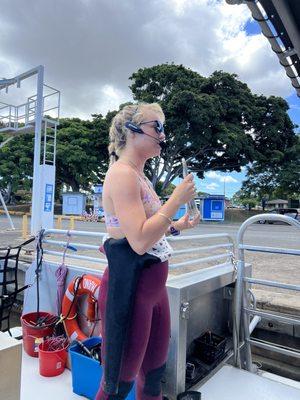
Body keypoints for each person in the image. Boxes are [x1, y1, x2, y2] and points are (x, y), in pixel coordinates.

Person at [96, 103, 200, 400]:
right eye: (157, 126)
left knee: (154, 375)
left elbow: (146, 227)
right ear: (131, 132)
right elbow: (139, 241)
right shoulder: (121, 174)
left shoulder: (140, 177)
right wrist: (176, 199)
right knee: (118, 384)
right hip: (130, 291)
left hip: (154, 291)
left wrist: (177, 225)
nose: (163, 134)